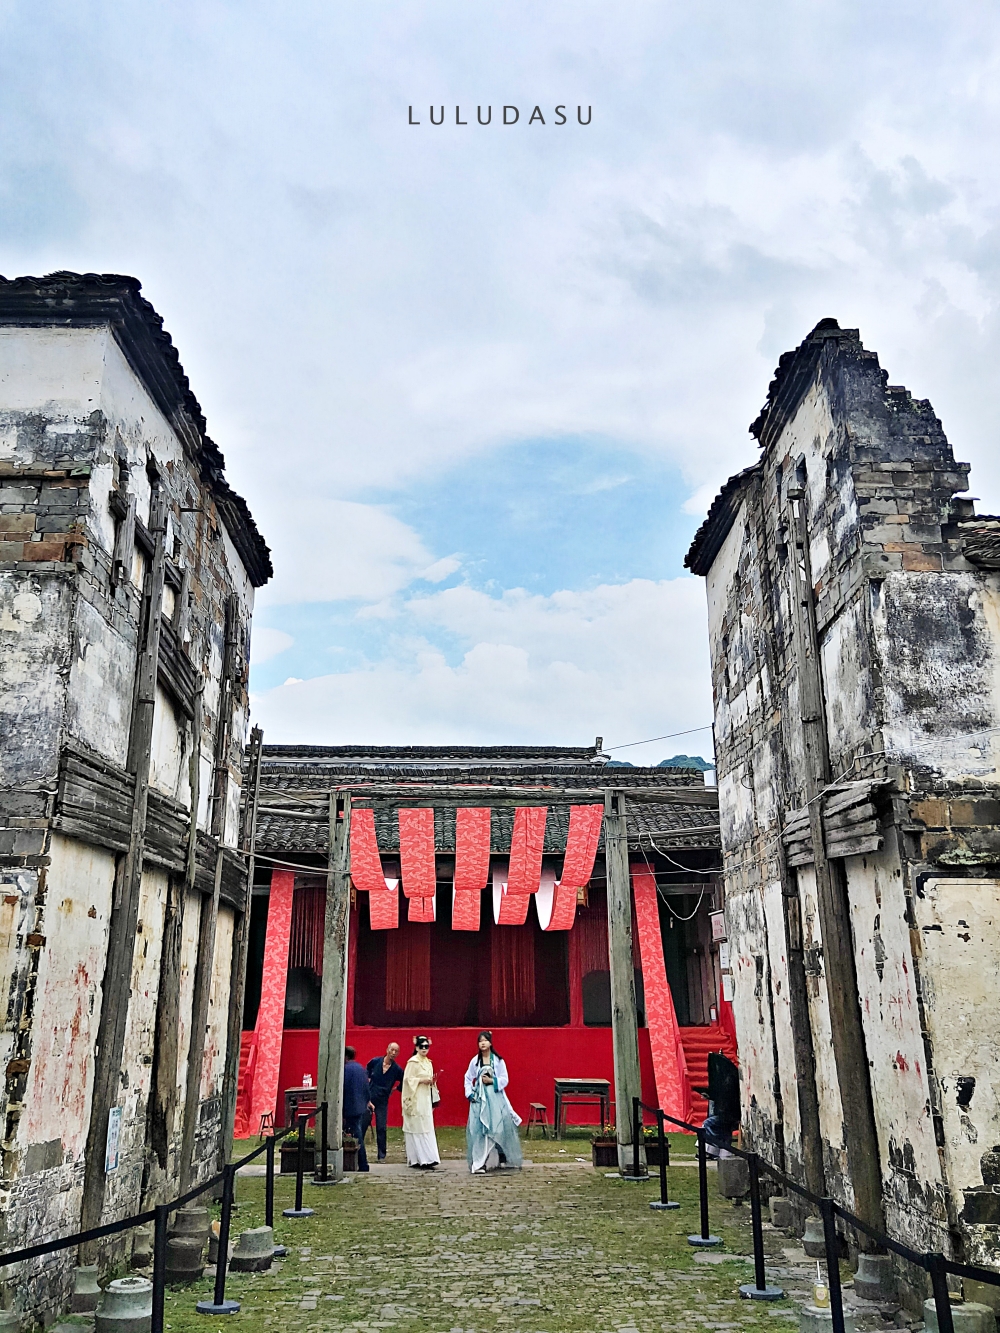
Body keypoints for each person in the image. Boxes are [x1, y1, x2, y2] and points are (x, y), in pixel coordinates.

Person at [464, 1030, 522, 1174]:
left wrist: (492, 1081)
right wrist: (470, 1093)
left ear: (490, 1042)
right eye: (480, 1041)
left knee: (497, 1127)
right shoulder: (475, 1061)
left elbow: (504, 1079)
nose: (483, 1043)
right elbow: (467, 1078)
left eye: (485, 1040)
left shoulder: (498, 1060)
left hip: (495, 1098)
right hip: (480, 1099)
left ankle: (502, 1154)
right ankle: (480, 1162)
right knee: (480, 1130)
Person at [401, 1035, 440, 1169]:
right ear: (416, 1047)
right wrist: (421, 1080)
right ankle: (419, 1158)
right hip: (415, 1097)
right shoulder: (413, 1062)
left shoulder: (428, 1062)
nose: (424, 1049)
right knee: (417, 1125)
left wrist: (432, 1082)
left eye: (426, 1046)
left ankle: (429, 1157)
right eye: (421, 1046)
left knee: (426, 1125)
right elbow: (407, 1080)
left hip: (425, 1097)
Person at [365, 1041, 405, 1161]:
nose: (393, 1053)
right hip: (370, 1097)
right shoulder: (376, 1061)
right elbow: (367, 1069)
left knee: (381, 1127)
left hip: (382, 1100)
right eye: (391, 1050)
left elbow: (404, 1081)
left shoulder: (397, 1069)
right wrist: (367, 1080)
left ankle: (381, 1155)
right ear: (387, 1049)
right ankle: (359, 1151)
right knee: (362, 1124)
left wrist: (396, 1089)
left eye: (396, 1051)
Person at [701, 1050, 740, 1157]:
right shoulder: (726, 1083)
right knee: (721, 1128)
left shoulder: (729, 1083)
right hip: (726, 1115)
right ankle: (721, 1152)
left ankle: (711, 1150)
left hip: (730, 1116)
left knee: (708, 1124)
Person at [342, 1045, 371, 1172]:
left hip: (350, 1106)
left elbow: (343, 1089)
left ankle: (363, 1164)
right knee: (357, 1133)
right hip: (360, 1106)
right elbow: (366, 1087)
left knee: (357, 1136)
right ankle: (357, 1163)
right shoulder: (361, 1068)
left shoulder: (345, 1070)